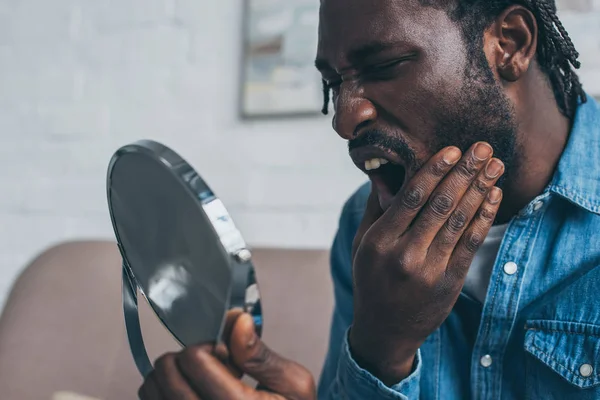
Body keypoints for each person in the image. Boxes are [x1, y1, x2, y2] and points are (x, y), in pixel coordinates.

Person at [138, 0, 600, 398]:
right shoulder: (365, 228)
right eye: (335, 83)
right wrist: (381, 348)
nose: (345, 117)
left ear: (511, 43)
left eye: (384, 66)